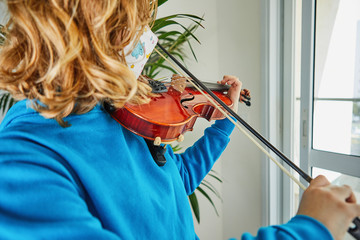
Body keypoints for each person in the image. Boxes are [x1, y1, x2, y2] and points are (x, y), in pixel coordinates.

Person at [0, 0, 359, 239]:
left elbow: (173, 181)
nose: (147, 41)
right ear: (95, 26)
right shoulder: (26, 155)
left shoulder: (119, 108)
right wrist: (309, 229)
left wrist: (224, 122)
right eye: (137, 27)